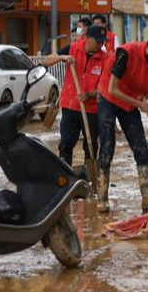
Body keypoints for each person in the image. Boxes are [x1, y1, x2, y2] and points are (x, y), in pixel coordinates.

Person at [96, 31, 148, 213]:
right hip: (109, 97)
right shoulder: (126, 53)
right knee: (107, 147)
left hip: (129, 102)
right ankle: (102, 198)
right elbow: (112, 89)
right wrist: (140, 104)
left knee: (141, 147)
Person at [42, 25, 106, 180]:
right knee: (66, 143)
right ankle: (65, 179)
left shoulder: (105, 58)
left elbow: (106, 86)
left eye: (102, 42)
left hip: (91, 110)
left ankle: (90, 181)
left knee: (91, 146)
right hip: (70, 106)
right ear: (88, 38)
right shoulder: (73, 49)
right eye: (97, 41)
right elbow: (45, 61)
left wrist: (91, 94)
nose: (100, 45)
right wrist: (61, 58)